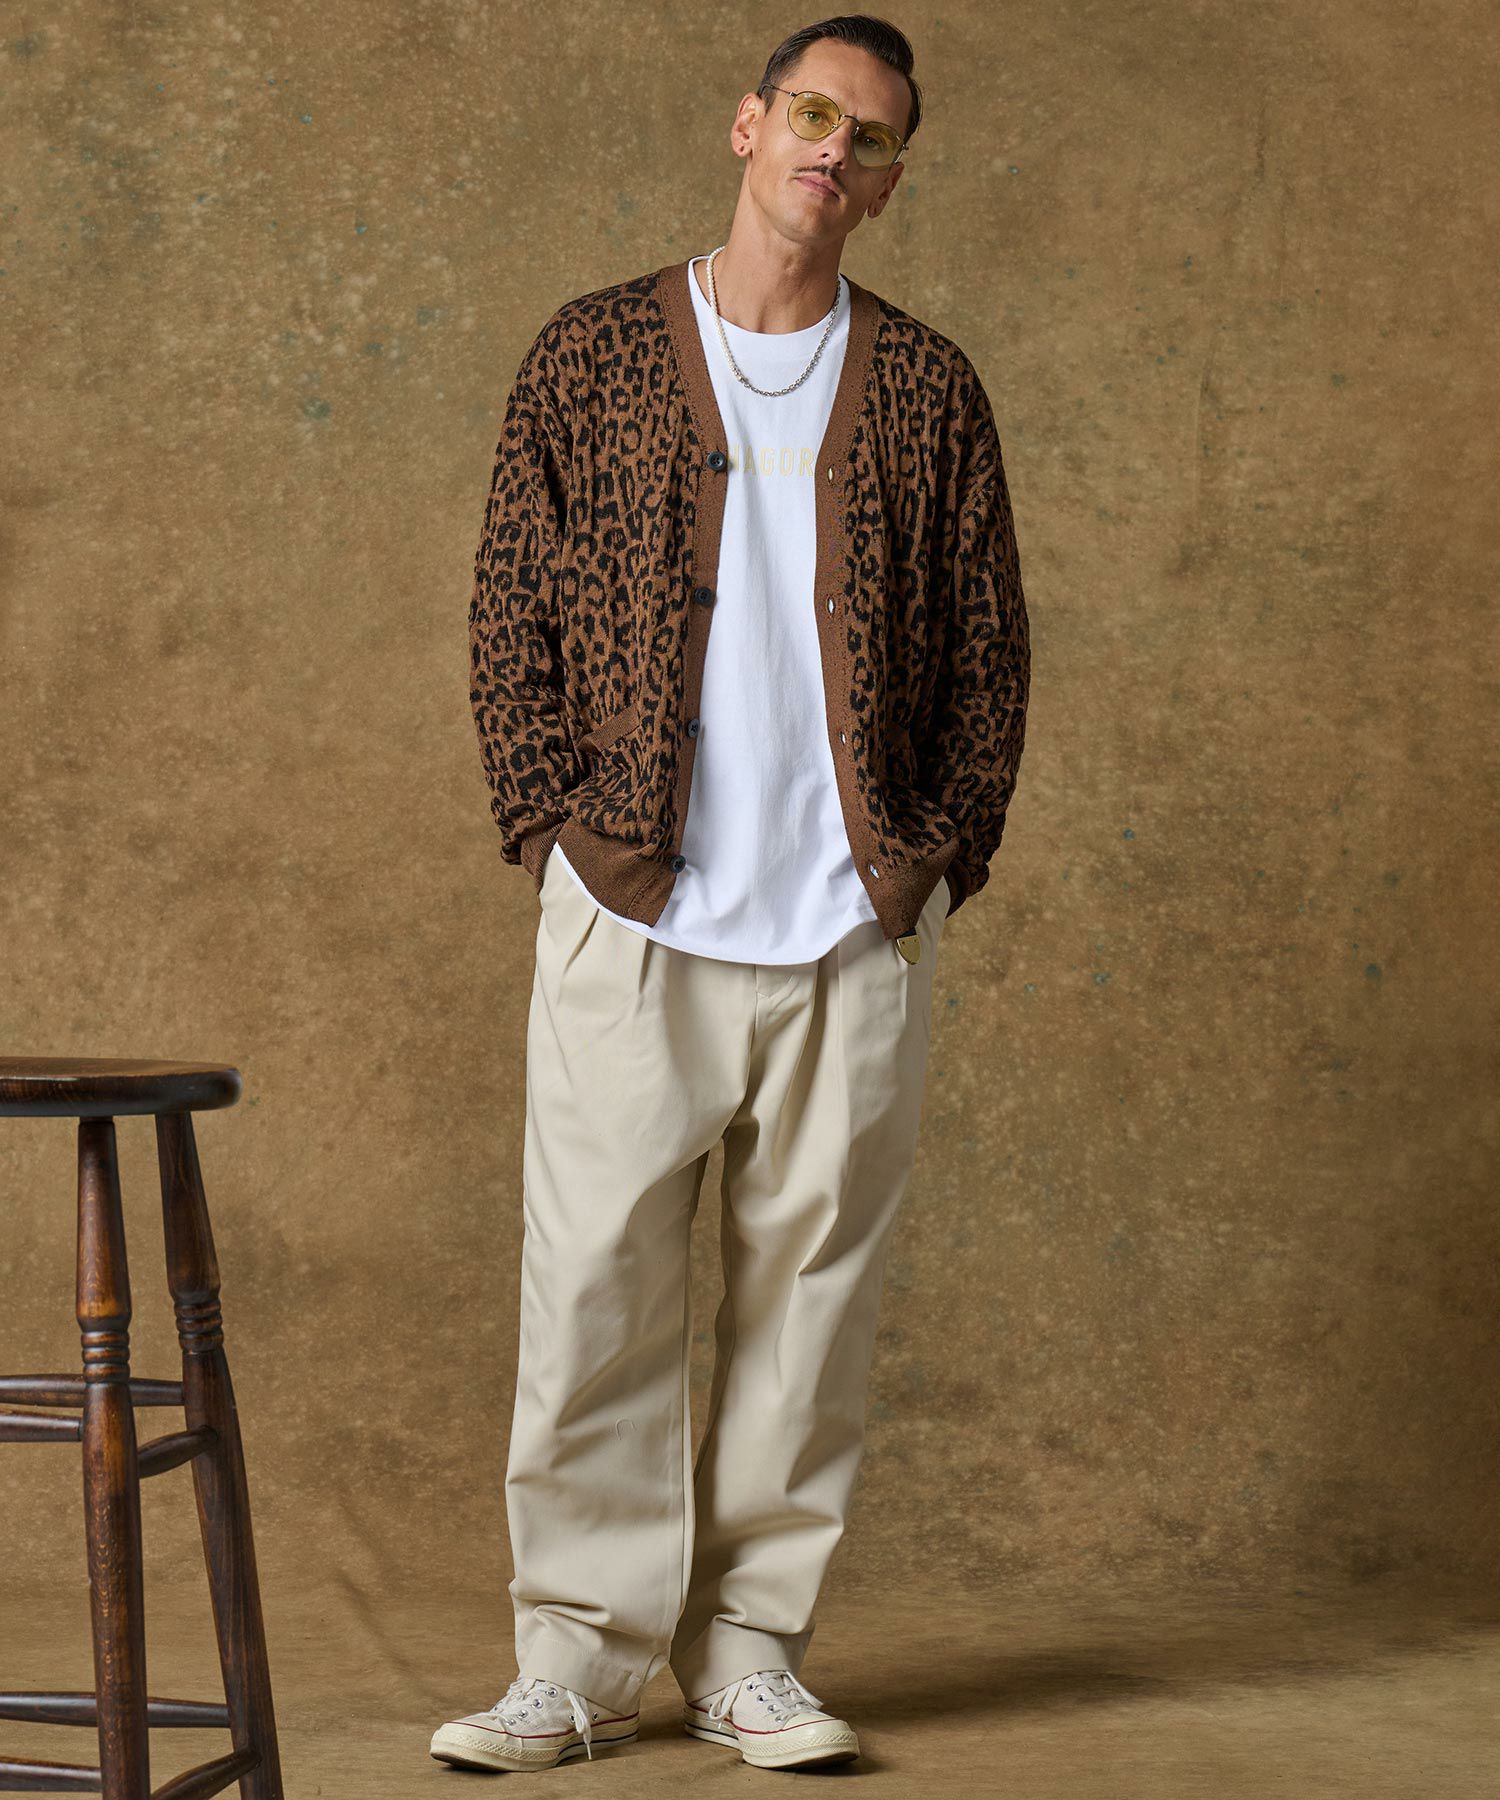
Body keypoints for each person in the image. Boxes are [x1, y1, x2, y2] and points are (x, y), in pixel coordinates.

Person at [432, 12, 1030, 1776]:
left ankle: (753, 1652)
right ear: (749, 125)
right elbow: (506, 607)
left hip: (848, 927)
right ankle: (576, 1659)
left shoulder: (927, 390)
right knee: (592, 1299)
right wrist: (555, 836)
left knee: (810, 1317)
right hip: (634, 912)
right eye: (815, 114)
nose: (836, 150)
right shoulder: (597, 353)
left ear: (890, 182)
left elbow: (990, 650)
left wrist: (927, 860)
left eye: (874, 137)